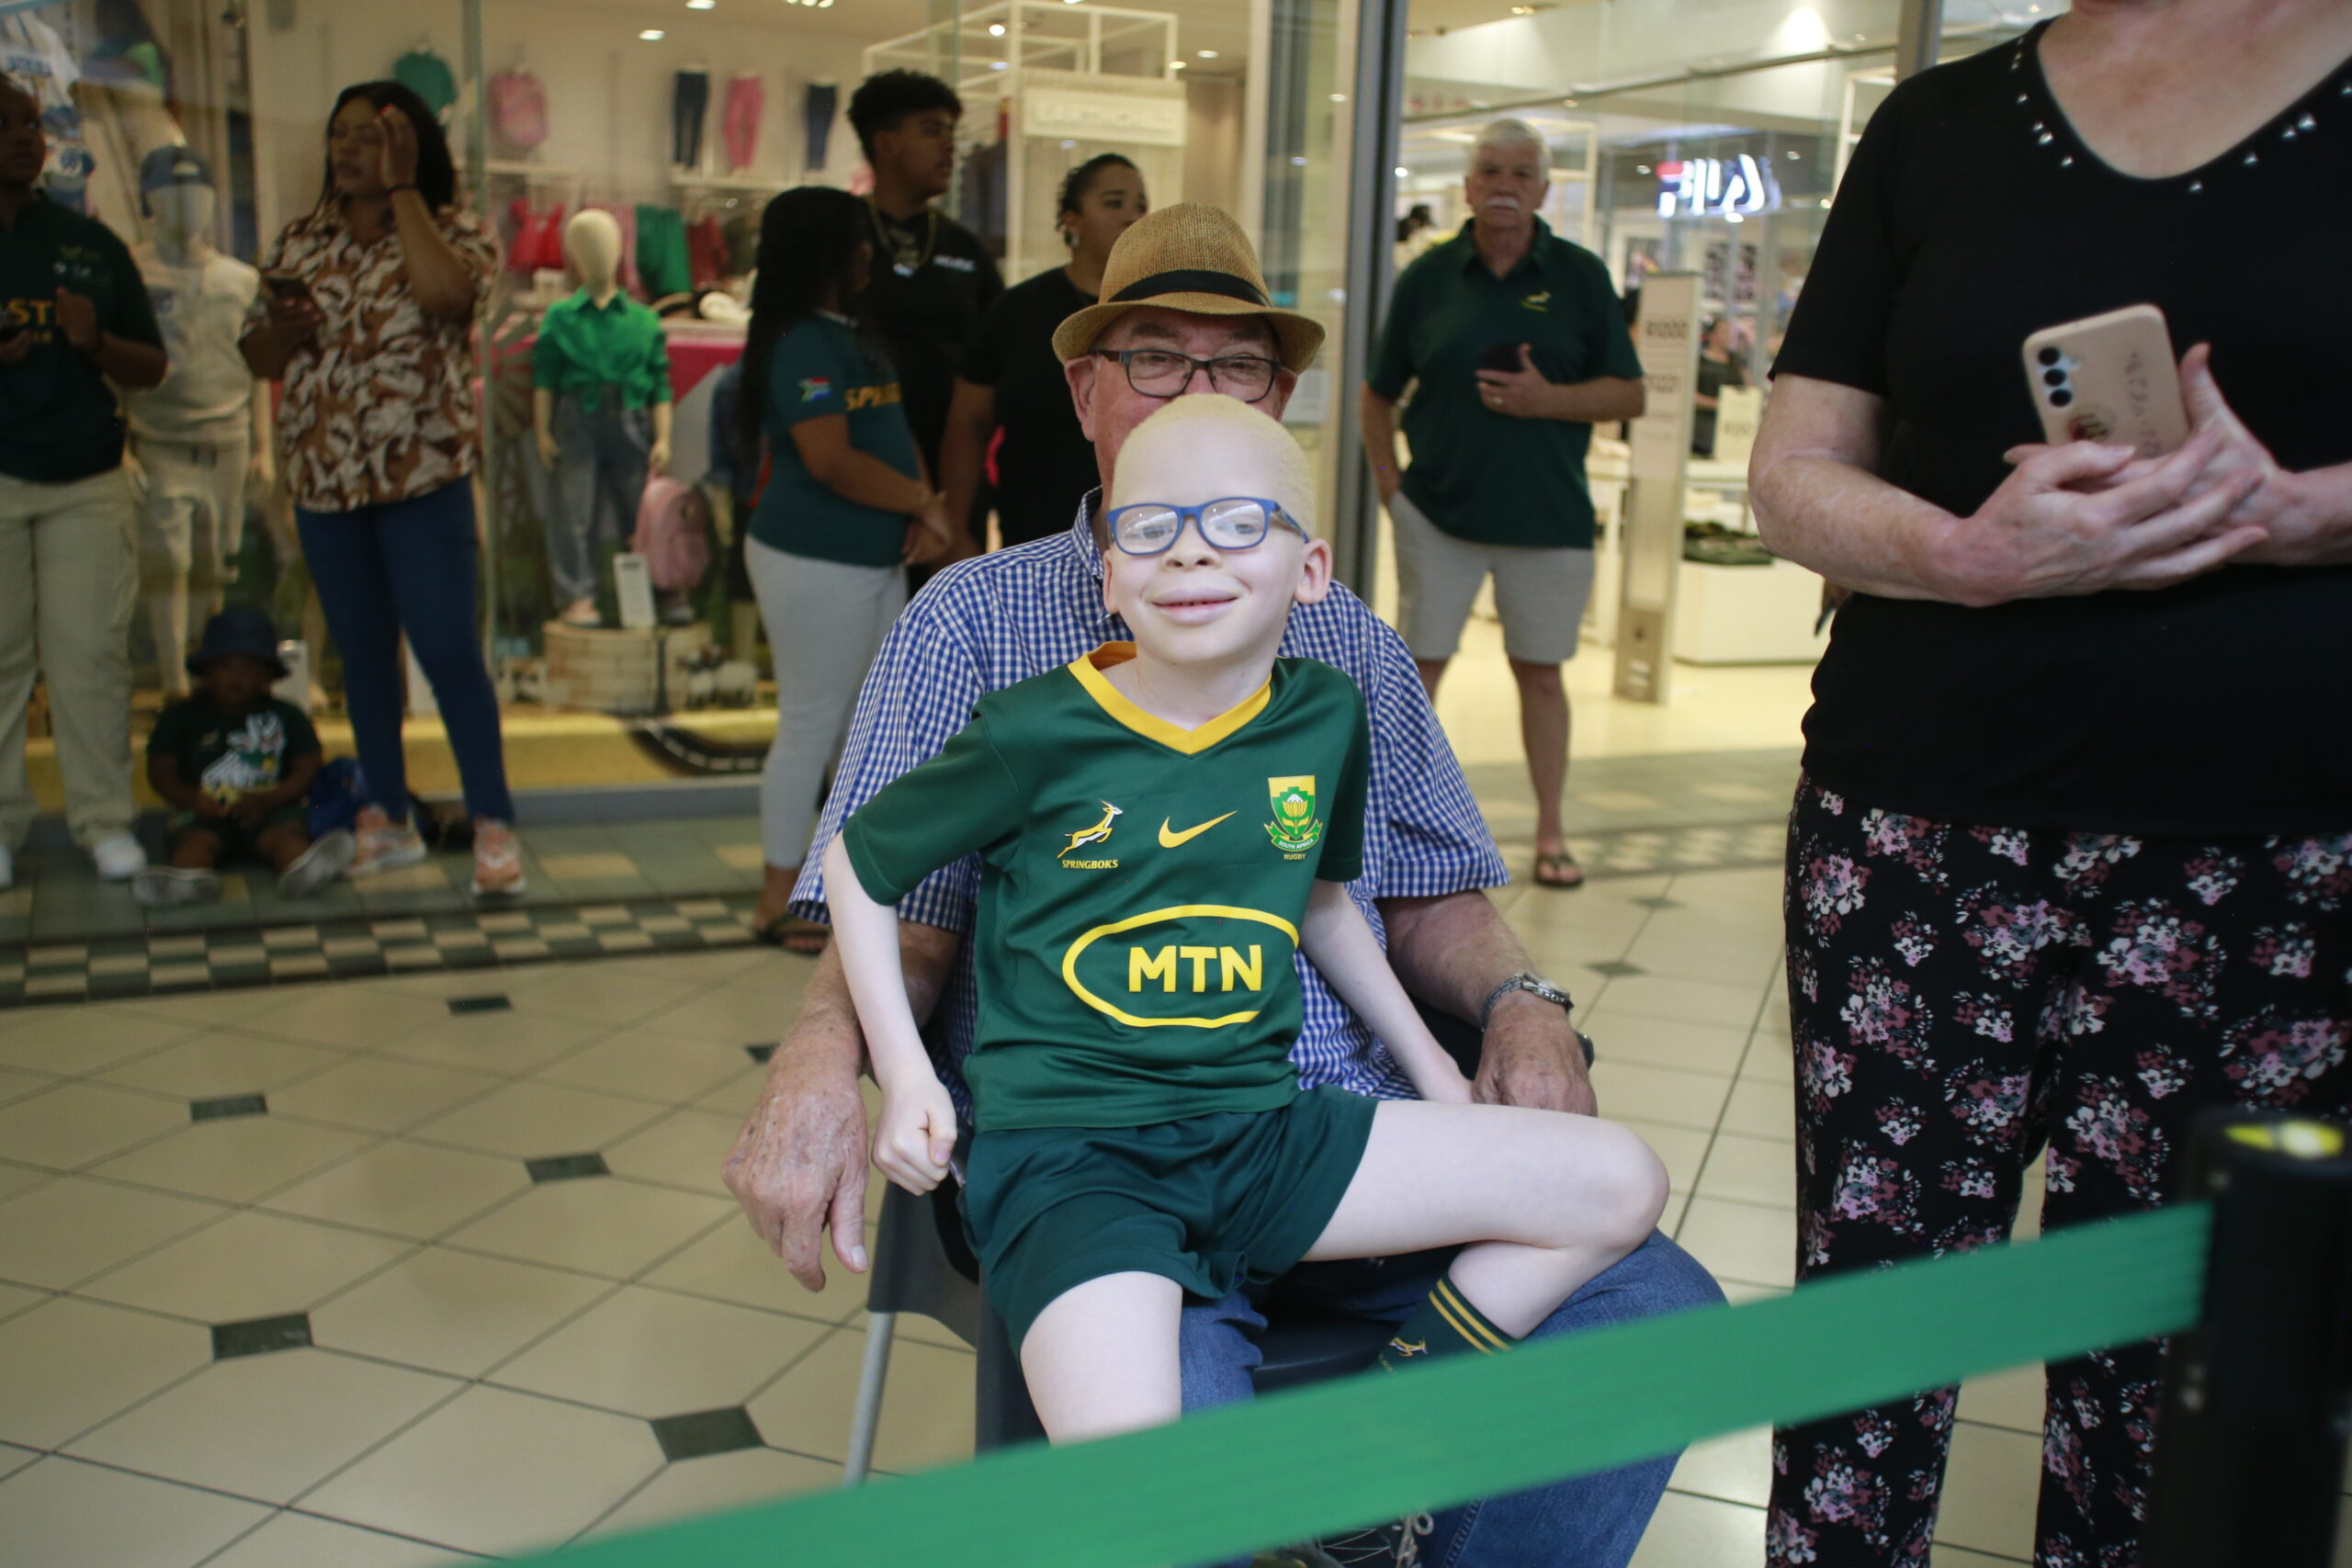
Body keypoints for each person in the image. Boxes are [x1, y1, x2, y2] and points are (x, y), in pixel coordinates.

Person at [723, 202, 1724, 1568]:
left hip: (1327, 1140)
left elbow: (1414, 893)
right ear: (1085, 392)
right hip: (1100, 1164)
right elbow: (896, 911)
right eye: (1154, 356)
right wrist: (825, 1058)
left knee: (1649, 1313)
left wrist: (1520, 1007)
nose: (1197, 392)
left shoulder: (1344, 650)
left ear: (1282, 402)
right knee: (1177, 1497)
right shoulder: (977, 626)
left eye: (1237, 362)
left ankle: (1392, 1499)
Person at [1745, 5, 2352, 1564]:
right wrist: (1967, 551)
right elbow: (1792, 473)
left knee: (2171, 1368)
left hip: (2269, 849)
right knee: (1868, 1326)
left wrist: (2295, 510)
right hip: (1915, 824)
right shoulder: (1937, 125)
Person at [829, 393, 1667, 1466]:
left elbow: (1320, 902)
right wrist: (907, 1075)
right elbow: (858, 865)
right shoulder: (1034, 730)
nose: (1189, 553)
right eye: (1149, 528)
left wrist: (1432, 1071)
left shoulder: (1323, 715)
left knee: (1619, 1182)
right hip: (1074, 1161)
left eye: (1235, 523)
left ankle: (1384, 1431)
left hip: (1264, 1134)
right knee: (1140, 1487)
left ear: (1309, 570)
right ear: (1109, 575)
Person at [239, 81, 525, 900]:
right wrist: (279, 332)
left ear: (409, 146)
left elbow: (447, 298)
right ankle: (389, 816)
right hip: (326, 481)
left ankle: (493, 822)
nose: (347, 148)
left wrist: (404, 195)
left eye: (369, 135)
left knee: (448, 651)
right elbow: (256, 356)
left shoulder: (456, 231)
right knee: (362, 657)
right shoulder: (300, 241)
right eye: (340, 134)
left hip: (422, 478)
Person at [1361, 118, 1645, 893]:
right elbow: (1376, 393)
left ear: (1544, 190)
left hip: (1549, 520)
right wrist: (1390, 486)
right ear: (1467, 187)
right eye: (1490, 170)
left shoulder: (1580, 276)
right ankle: (1393, 825)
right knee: (1420, 672)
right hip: (1437, 514)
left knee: (1542, 677)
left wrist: (1548, 399)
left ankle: (1551, 830)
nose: (1504, 186)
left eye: (1521, 173)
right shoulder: (1428, 278)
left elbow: (1629, 393)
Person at [740, 186, 954, 953]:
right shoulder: (802, 342)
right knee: (810, 724)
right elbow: (830, 459)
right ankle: (776, 896)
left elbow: (892, 430)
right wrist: (924, 503)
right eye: (856, 241)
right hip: (812, 559)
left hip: (871, 558)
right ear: (820, 253)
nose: (869, 254)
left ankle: (843, 887)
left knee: (861, 730)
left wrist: (923, 509)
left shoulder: (852, 335)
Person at [0, 72, 167, 893]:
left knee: (91, 659)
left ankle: (104, 822)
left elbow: (151, 365)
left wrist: (94, 340)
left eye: (32, 124)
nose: (25, 138)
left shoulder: (90, 244)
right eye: (6, 124)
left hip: (86, 477)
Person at [941, 152, 1146, 551]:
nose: (1131, 217)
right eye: (1114, 202)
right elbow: (969, 423)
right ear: (1072, 220)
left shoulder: (1155, 313)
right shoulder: (1019, 308)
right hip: (1034, 528)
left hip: (1142, 533)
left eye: (1141, 206)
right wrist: (957, 528)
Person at [845, 70, 1003, 553]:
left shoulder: (965, 248)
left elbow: (994, 356)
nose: (949, 148)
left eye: (952, 133)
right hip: (859, 461)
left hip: (954, 467)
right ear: (886, 143)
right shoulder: (842, 237)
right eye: (932, 131)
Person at [134, 607, 354, 906]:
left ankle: (303, 868)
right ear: (205, 672)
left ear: (267, 676)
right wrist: (192, 799)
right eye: (224, 667)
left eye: (248, 668)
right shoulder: (179, 717)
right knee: (194, 842)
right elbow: (160, 771)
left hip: (272, 809)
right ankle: (188, 879)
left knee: (287, 835)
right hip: (201, 812)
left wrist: (270, 799)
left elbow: (307, 767)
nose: (235, 678)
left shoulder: (287, 715)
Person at [1690, 315, 1747, 458]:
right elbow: (1690, 394)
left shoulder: (1736, 360)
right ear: (1712, 335)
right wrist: (1717, 404)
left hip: (1733, 424)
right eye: (1724, 331)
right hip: (1703, 425)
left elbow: (1749, 387)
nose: (1729, 336)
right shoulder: (1699, 361)